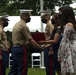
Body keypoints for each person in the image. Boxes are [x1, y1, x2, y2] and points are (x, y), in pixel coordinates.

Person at [8, 9, 42, 75]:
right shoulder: (23, 26)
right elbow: (30, 40)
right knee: (22, 69)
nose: (29, 17)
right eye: (28, 16)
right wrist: (39, 47)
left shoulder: (17, 24)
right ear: (24, 16)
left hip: (15, 48)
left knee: (14, 69)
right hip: (21, 49)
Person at [58, 6, 76, 75]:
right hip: (71, 47)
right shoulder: (72, 24)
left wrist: (60, 54)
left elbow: (64, 40)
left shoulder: (69, 25)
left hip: (70, 48)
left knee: (69, 70)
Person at [40, 10, 54, 75]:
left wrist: (51, 49)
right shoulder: (48, 25)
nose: (42, 19)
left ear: (48, 17)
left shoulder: (50, 25)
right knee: (48, 66)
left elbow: (52, 37)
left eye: (43, 17)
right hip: (47, 46)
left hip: (49, 47)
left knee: (50, 66)